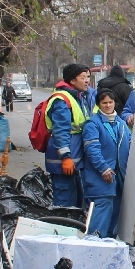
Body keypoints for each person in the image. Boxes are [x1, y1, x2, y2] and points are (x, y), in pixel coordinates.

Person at [81, 88, 131, 237]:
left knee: (114, 217)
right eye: (104, 103)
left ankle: (108, 246)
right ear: (99, 105)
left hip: (118, 178)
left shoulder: (121, 124)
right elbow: (92, 149)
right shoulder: (92, 124)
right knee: (101, 214)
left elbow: (130, 143)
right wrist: (103, 168)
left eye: (111, 102)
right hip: (100, 178)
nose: (108, 105)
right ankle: (94, 245)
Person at [44, 64, 93, 208]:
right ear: (72, 80)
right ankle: (65, 230)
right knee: (65, 204)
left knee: (76, 202)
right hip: (63, 162)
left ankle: (74, 229)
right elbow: (60, 131)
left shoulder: (77, 96)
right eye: (83, 77)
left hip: (74, 161)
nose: (87, 81)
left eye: (88, 77)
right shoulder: (61, 100)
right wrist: (65, 157)